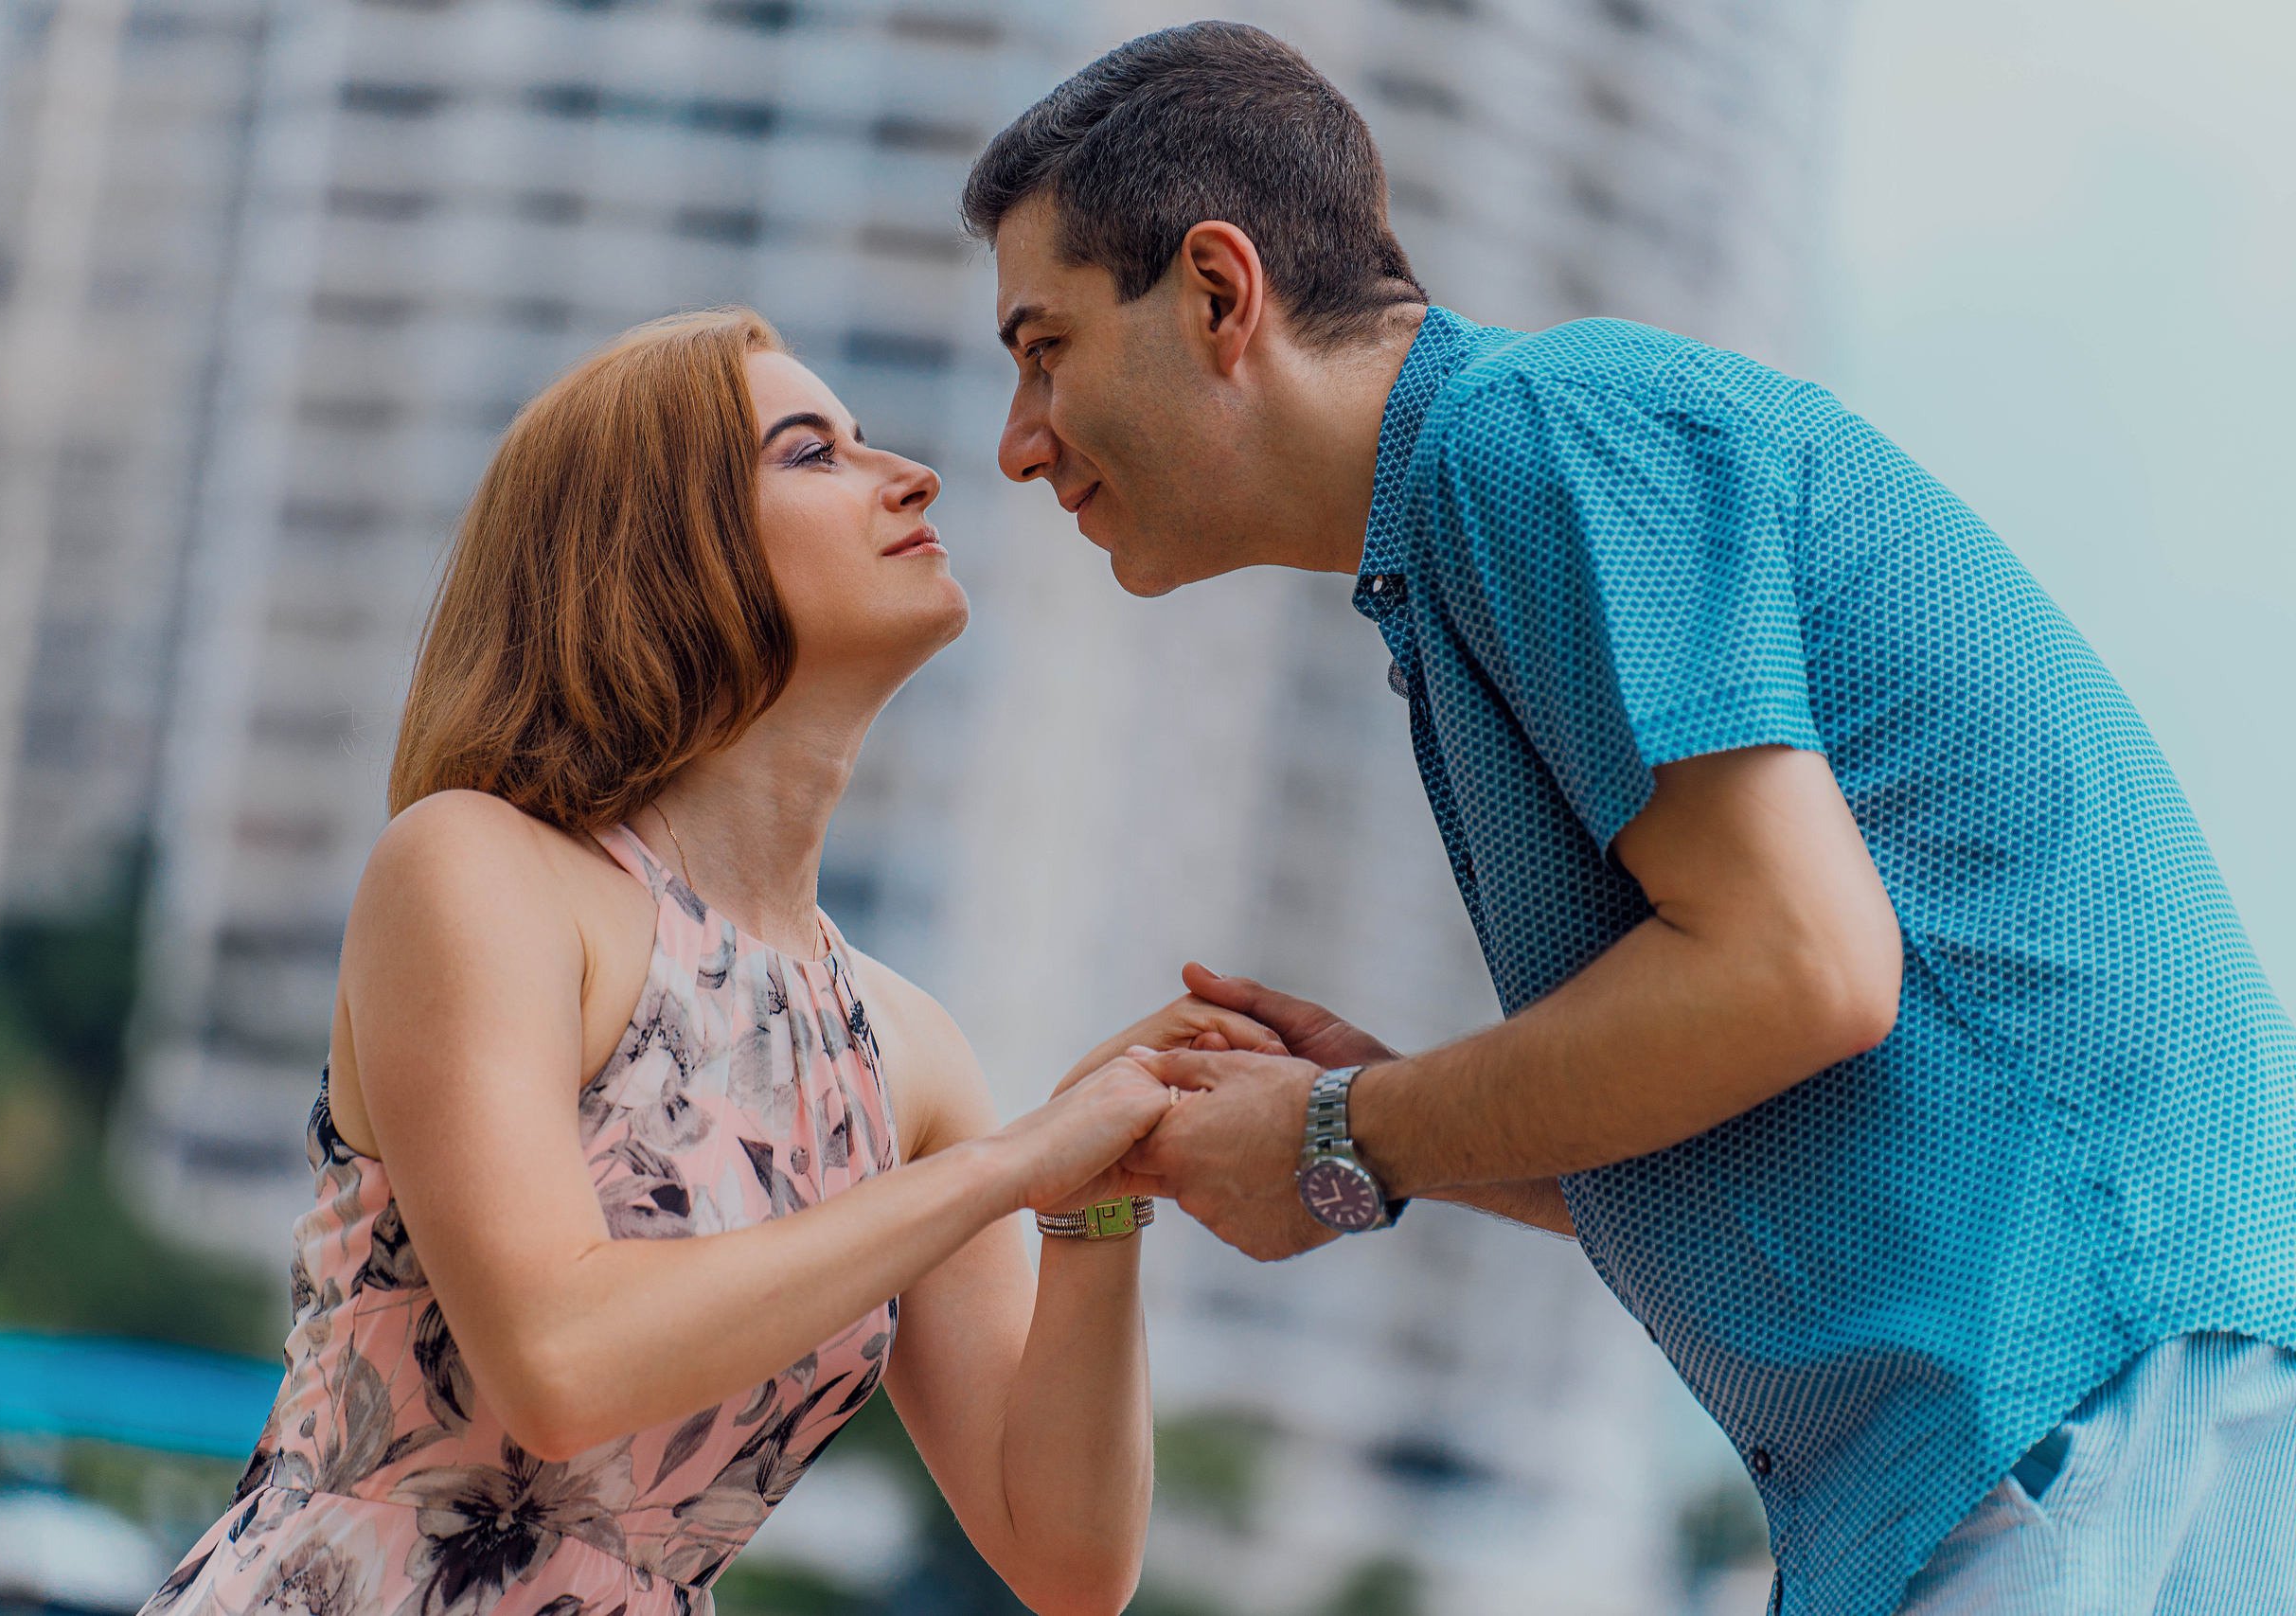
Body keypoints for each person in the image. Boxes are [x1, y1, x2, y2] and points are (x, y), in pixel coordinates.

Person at [966, 23, 2296, 1616]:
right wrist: (1376, 1125)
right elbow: (1769, 1070)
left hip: (2090, 1407)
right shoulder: (1481, 510)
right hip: (2082, 1411)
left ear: (1216, 292)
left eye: (1044, 348)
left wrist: (1338, 1138)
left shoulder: (1531, 436)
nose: (1017, 440)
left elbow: (1798, 972)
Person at [139, 308, 1282, 1616]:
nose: (914, 475)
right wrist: (1005, 1167)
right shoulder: (479, 871)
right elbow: (560, 1362)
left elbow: (1070, 1560)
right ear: (663, 551)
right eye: (813, 452)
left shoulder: (905, 1055)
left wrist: (1094, 1198)